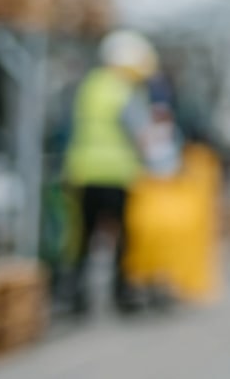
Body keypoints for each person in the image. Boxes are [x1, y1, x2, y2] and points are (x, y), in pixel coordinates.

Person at [58, 28, 159, 316]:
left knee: (82, 237)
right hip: (116, 175)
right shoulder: (124, 90)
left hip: (82, 172)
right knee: (121, 237)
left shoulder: (90, 85)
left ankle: (75, 297)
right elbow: (141, 134)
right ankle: (123, 293)